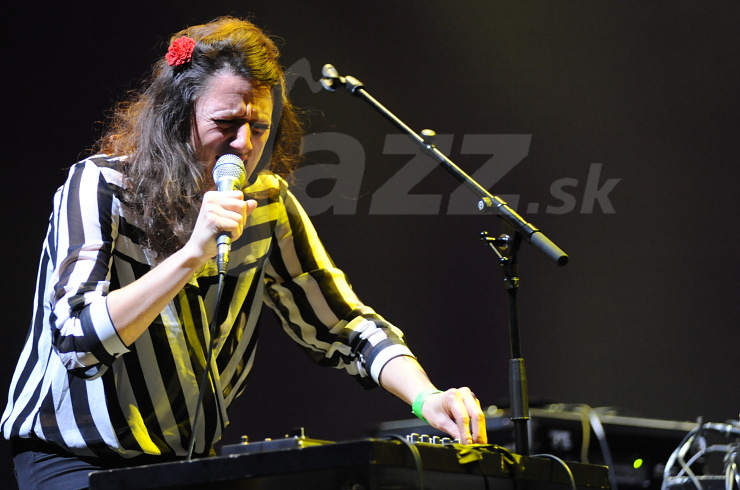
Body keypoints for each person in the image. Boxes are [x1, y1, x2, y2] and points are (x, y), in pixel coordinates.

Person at [1, 16, 487, 489]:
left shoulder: (268, 204)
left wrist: (426, 398)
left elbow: (342, 325)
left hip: (185, 462)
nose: (244, 145)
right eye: (226, 124)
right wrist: (192, 253)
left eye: (259, 127)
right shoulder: (101, 185)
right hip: (72, 457)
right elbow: (78, 342)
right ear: (177, 116)